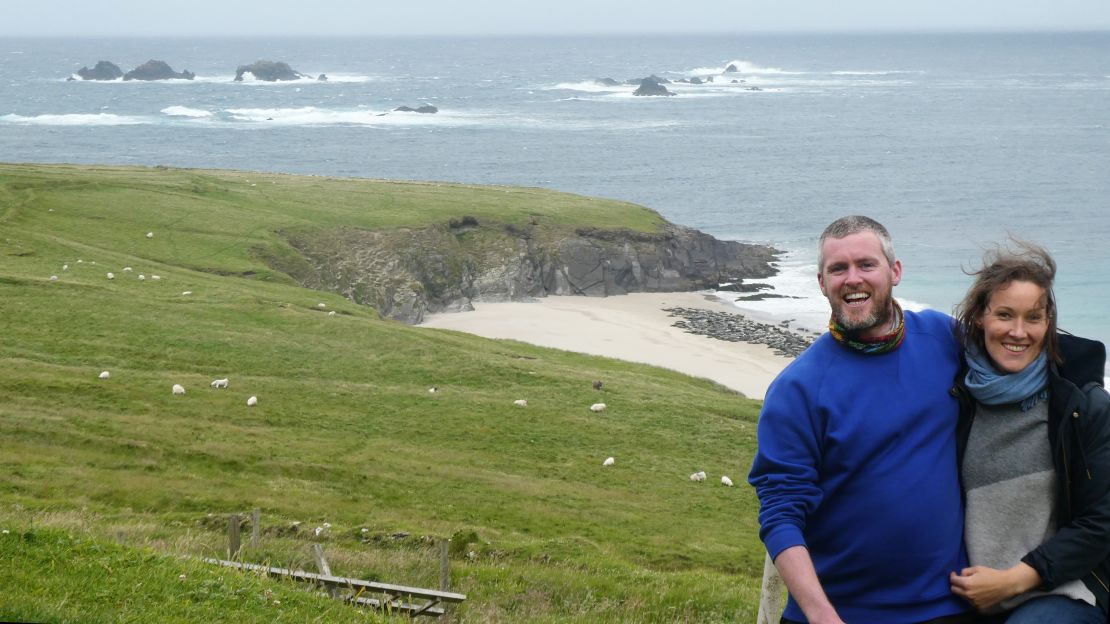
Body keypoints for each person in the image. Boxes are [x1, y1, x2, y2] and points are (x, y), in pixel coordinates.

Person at [749, 215, 972, 624]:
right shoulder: (796, 388)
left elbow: (1020, 346)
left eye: (866, 265)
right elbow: (780, 513)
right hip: (836, 614)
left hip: (948, 606)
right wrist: (821, 616)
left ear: (895, 271)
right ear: (821, 283)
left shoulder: (945, 338)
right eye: (838, 269)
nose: (853, 278)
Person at [948, 242, 1110, 623]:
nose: (1018, 332)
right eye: (1004, 314)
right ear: (979, 318)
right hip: (970, 595)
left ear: (1048, 323)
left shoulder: (1083, 406)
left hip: (1067, 589)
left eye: (1033, 317)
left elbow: (1102, 520)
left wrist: (1015, 580)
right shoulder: (957, 398)